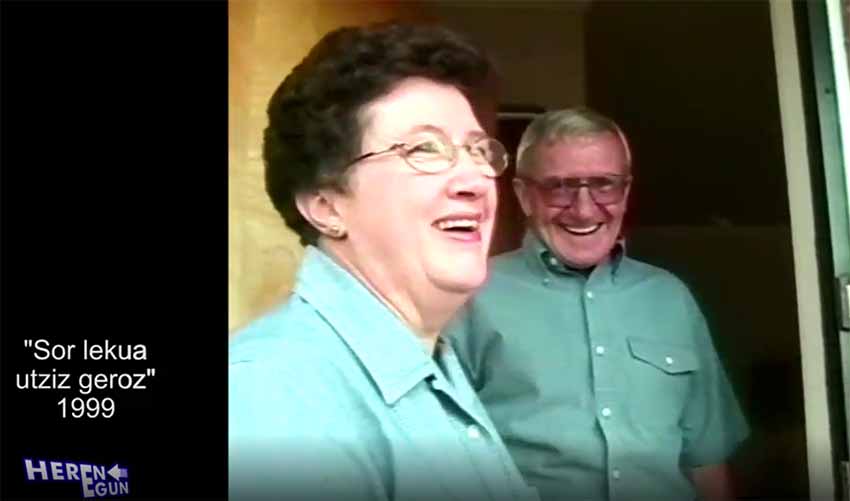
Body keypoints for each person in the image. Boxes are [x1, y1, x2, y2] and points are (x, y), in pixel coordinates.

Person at [228, 22, 538, 501]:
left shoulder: (433, 364)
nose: (475, 179)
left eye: (478, 150)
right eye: (424, 149)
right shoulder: (275, 394)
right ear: (326, 204)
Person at [447, 108, 749, 501]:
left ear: (624, 192)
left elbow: (706, 459)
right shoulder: (470, 296)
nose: (585, 209)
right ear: (524, 195)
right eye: (560, 187)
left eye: (604, 185)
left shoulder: (669, 297)